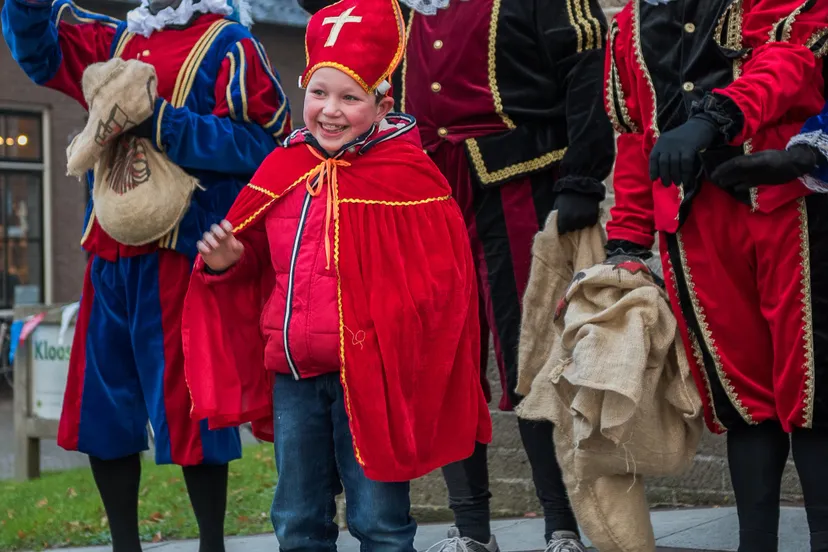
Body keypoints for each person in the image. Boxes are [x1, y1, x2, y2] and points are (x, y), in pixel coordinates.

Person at [298, 0, 615, 550]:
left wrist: (583, 176)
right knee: (443, 358)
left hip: (521, 185)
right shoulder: (397, 7)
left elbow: (587, 68)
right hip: (426, 194)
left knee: (531, 356)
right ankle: (472, 531)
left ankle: (561, 525)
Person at [180, 0, 493, 550]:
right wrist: (227, 261)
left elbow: (442, 281)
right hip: (295, 375)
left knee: (379, 522)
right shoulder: (285, 165)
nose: (330, 110)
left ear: (382, 101)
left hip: (371, 377)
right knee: (297, 520)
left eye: (350, 98)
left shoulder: (408, 174)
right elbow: (260, 256)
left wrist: (391, 330)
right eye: (319, 93)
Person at [2, 0, 290, 550]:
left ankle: (211, 543)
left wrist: (160, 120)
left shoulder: (233, 45)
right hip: (107, 260)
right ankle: (125, 545)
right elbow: (39, 53)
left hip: (182, 257)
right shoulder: (113, 36)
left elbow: (264, 146)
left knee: (192, 414)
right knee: (102, 414)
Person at [604, 1, 828, 550]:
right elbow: (637, 137)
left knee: (813, 383)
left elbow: (789, 63)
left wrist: (713, 118)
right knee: (739, 392)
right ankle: (755, 541)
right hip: (694, 223)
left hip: (786, 202)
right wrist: (628, 242)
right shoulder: (631, 23)